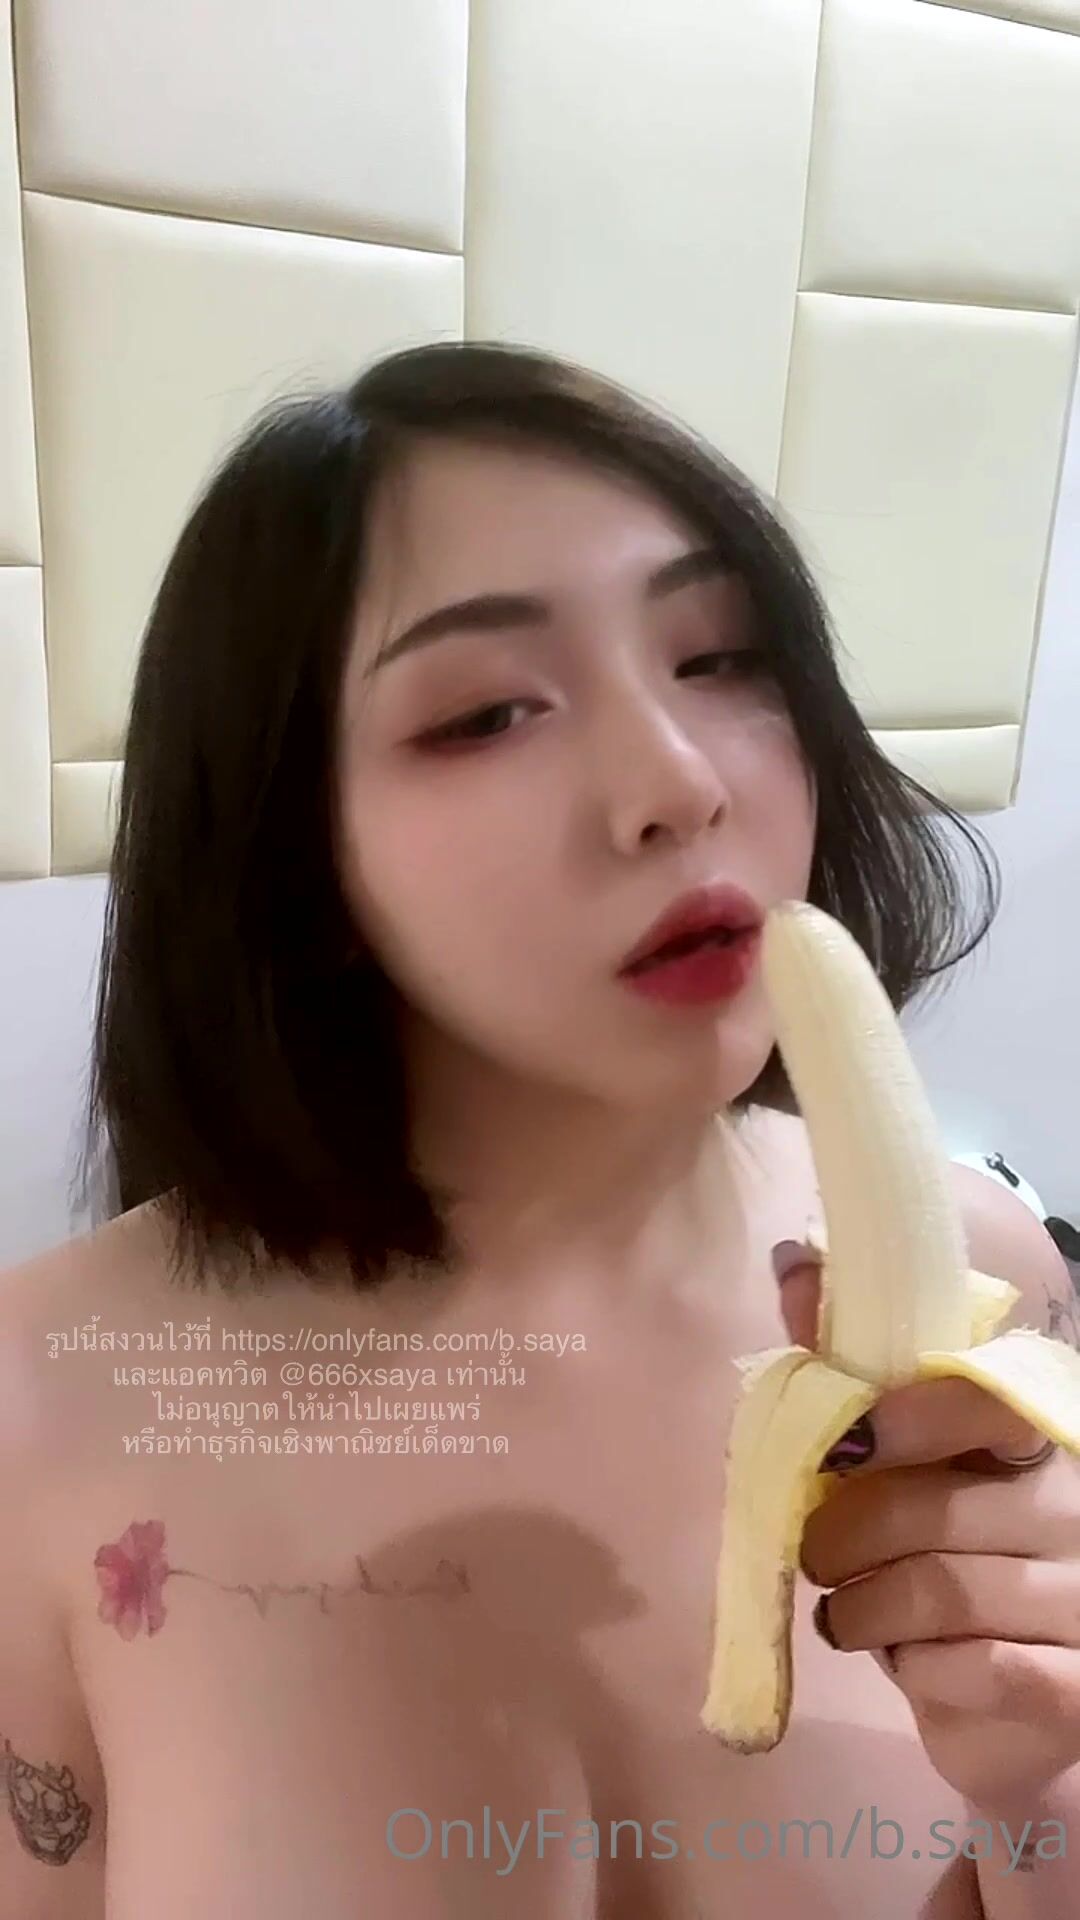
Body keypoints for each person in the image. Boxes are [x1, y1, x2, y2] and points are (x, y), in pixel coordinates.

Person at [1, 341, 1077, 1919]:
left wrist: (1043, 1797)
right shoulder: (38, 1402)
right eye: (488, 712)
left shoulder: (991, 1303)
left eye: (723, 658)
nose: (678, 783)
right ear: (290, 841)